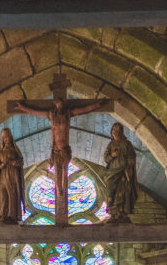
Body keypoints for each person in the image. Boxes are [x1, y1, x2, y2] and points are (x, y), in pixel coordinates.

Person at [10, 95, 109, 223]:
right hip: (55, 151)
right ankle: (60, 193)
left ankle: (62, 194)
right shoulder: (51, 115)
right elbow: (36, 112)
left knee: (63, 179)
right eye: (58, 103)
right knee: (58, 181)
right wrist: (23, 107)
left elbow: (83, 109)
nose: (60, 105)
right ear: (55, 105)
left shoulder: (68, 114)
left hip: (65, 151)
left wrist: (96, 105)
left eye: (61, 103)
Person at [103, 122, 138, 222]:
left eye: (118, 130)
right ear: (111, 131)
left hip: (124, 171)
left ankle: (123, 212)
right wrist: (113, 155)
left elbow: (131, 156)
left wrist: (130, 166)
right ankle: (112, 213)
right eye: (114, 130)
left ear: (121, 132)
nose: (116, 132)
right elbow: (106, 158)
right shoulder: (110, 144)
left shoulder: (127, 144)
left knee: (124, 191)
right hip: (112, 172)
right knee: (111, 191)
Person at [0, 128, 24, 223]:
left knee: (11, 194)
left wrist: (13, 162)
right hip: (3, 176)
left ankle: (12, 215)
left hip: (13, 176)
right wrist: (1, 165)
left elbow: (20, 162)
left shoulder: (15, 150)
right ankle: (2, 214)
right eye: (4, 137)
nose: (6, 139)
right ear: (2, 139)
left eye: (8, 137)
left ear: (11, 137)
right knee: (3, 195)